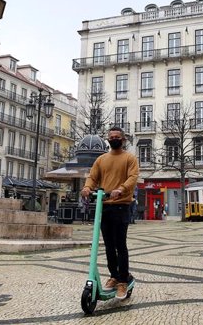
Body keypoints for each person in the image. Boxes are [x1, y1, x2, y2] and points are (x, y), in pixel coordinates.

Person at [81, 126, 139, 300]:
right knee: (108, 245)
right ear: (108, 139)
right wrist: (87, 187)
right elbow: (93, 176)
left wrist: (121, 189)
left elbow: (133, 177)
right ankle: (114, 275)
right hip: (104, 205)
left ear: (123, 140)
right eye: (111, 136)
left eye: (117, 137)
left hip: (121, 205)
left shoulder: (129, 158)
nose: (113, 139)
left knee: (120, 244)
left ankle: (123, 280)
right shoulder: (101, 159)